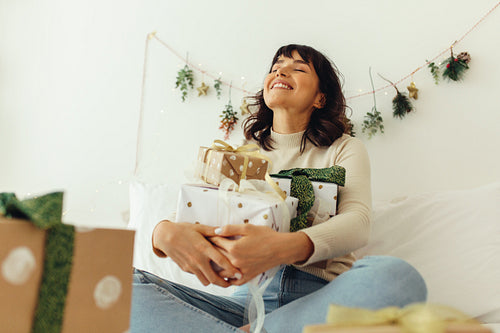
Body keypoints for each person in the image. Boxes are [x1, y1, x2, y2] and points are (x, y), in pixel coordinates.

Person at [130, 44, 427, 333]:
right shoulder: (238, 155)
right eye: (275, 68)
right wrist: (162, 233)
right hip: (245, 307)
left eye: (298, 68)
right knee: (122, 282)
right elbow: (189, 212)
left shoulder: (344, 149)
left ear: (320, 98)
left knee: (397, 277)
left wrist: (280, 248)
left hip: (322, 301)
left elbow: (358, 223)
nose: (281, 72)